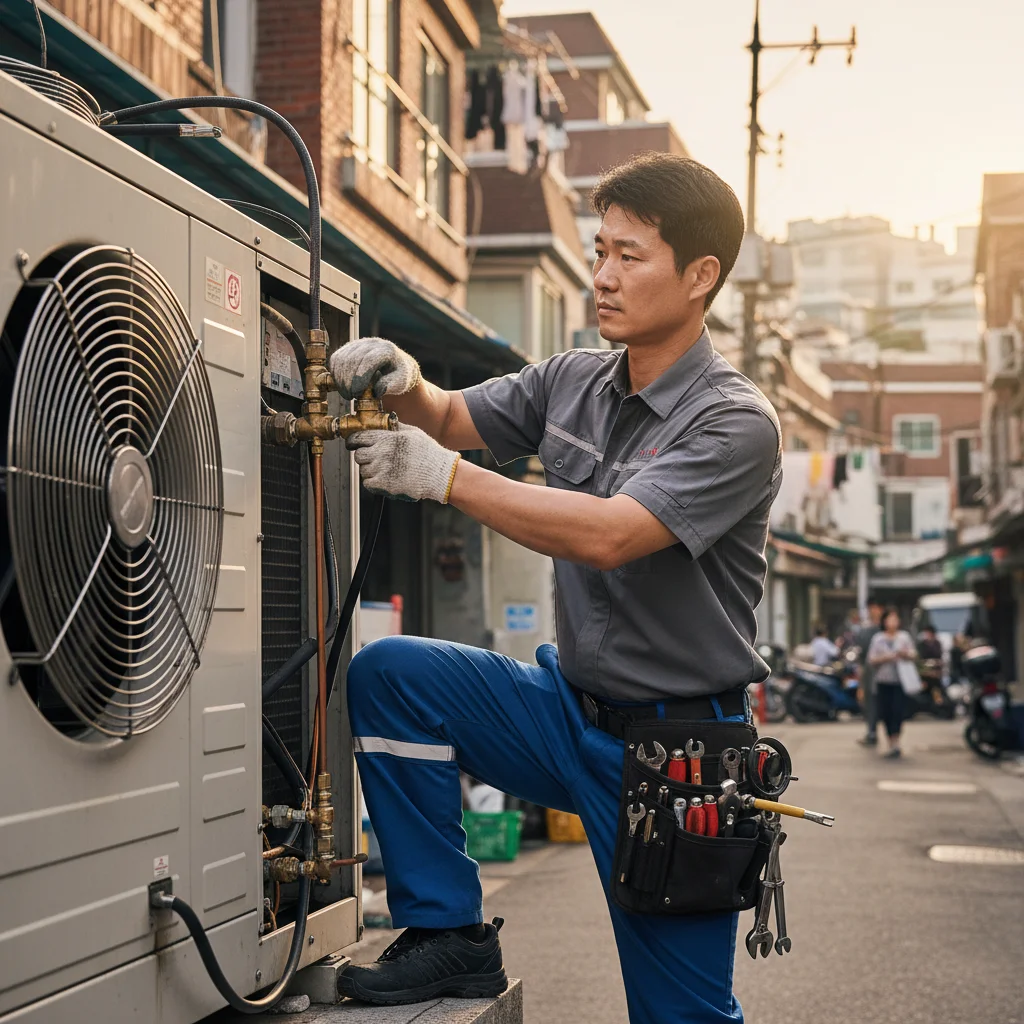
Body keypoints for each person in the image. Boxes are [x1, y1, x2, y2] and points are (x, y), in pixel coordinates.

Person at [329, 153, 782, 1022]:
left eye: (630, 257)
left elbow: (613, 535)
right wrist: (405, 380)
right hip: (562, 711)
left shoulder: (735, 422)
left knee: (680, 1016)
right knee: (392, 677)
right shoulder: (572, 378)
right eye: (598, 252)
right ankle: (447, 935)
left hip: (676, 757)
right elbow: (457, 418)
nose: (603, 278)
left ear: (701, 277)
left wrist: (445, 480)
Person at [867, 609, 916, 759]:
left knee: (898, 711)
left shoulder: (904, 637)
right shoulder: (878, 639)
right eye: (890, 619)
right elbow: (871, 659)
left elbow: (914, 654)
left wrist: (905, 654)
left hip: (900, 681)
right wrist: (886, 658)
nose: (893, 622)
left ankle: (896, 741)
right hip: (883, 681)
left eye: (895, 619)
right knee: (886, 711)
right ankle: (890, 740)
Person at [857, 598, 885, 746]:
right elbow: (861, 656)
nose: (873, 612)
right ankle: (872, 732)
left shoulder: (887, 629)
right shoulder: (865, 630)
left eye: (876, 608)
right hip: (869, 671)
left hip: (886, 670)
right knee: (869, 702)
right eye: (871, 609)